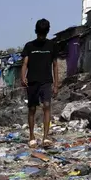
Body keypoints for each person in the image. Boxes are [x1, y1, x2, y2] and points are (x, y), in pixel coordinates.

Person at [21, 18, 59, 148]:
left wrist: (56, 84)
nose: (42, 37)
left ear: (47, 32)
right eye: (40, 34)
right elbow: (25, 63)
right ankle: (31, 137)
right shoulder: (29, 46)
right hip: (32, 81)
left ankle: (45, 137)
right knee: (32, 108)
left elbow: (55, 65)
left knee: (47, 106)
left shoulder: (52, 45)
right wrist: (22, 77)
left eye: (44, 34)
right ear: (36, 32)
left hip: (46, 81)